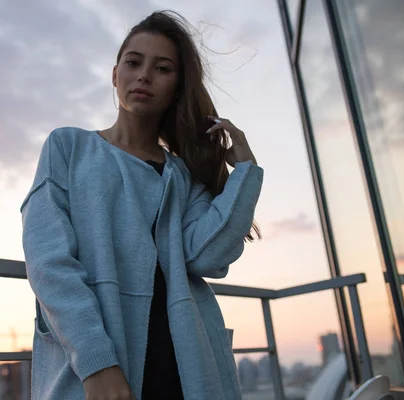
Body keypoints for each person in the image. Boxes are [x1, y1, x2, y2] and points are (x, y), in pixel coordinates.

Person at [21, 10, 263, 400]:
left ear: (176, 87)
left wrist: (246, 171)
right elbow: (48, 260)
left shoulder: (183, 175)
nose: (144, 75)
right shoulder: (68, 147)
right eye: (134, 62)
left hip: (185, 360)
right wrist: (96, 361)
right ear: (116, 74)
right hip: (98, 359)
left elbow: (208, 257)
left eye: (162, 68)